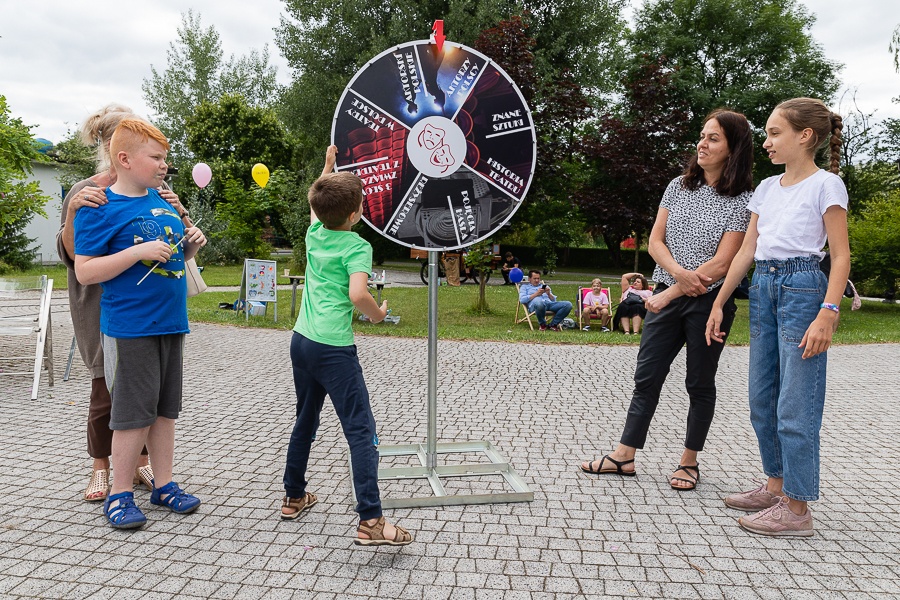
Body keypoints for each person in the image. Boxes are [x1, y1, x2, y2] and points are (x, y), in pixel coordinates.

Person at [580, 109, 754, 490]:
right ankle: (624, 455)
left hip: (710, 303)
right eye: (702, 136)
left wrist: (675, 290)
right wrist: (675, 276)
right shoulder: (678, 186)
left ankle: (689, 463)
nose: (702, 144)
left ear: (734, 147)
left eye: (713, 138)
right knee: (647, 377)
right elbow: (655, 241)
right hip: (664, 291)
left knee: (699, 382)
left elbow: (726, 261)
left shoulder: (745, 199)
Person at [706, 98, 849, 537]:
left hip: (804, 289)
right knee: (761, 398)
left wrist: (828, 312)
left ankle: (798, 509)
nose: (765, 142)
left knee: (795, 404)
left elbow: (841, 256)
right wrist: (719, 300)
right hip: (765, 288)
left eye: (774, 133)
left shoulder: (827, 185)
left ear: (804, 136)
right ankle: (775, 484)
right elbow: (748, 250)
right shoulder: (767, 188)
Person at [73, 119, 207, 529]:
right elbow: (85, 271)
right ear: (125, 159)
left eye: (165, 157)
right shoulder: (98, 207)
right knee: (133, 414)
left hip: (171, 324)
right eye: (157, 157)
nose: (164, 165)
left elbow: (166, 261)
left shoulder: (163, 202)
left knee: (165, 412)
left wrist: (188, 248)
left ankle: (164, 485)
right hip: (130, 329)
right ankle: (119, 495)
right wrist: (138, 253)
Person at [281, 145, 414, 547]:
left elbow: (314, 200)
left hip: (301, 341)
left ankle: (293, 496)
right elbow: (359, 294)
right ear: (356, 214)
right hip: (334, 349)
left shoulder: (314, 231)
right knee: (360, 431)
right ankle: (371, 520)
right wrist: (378, 314)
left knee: (306, 419)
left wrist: (326, 170)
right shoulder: (357, 246)